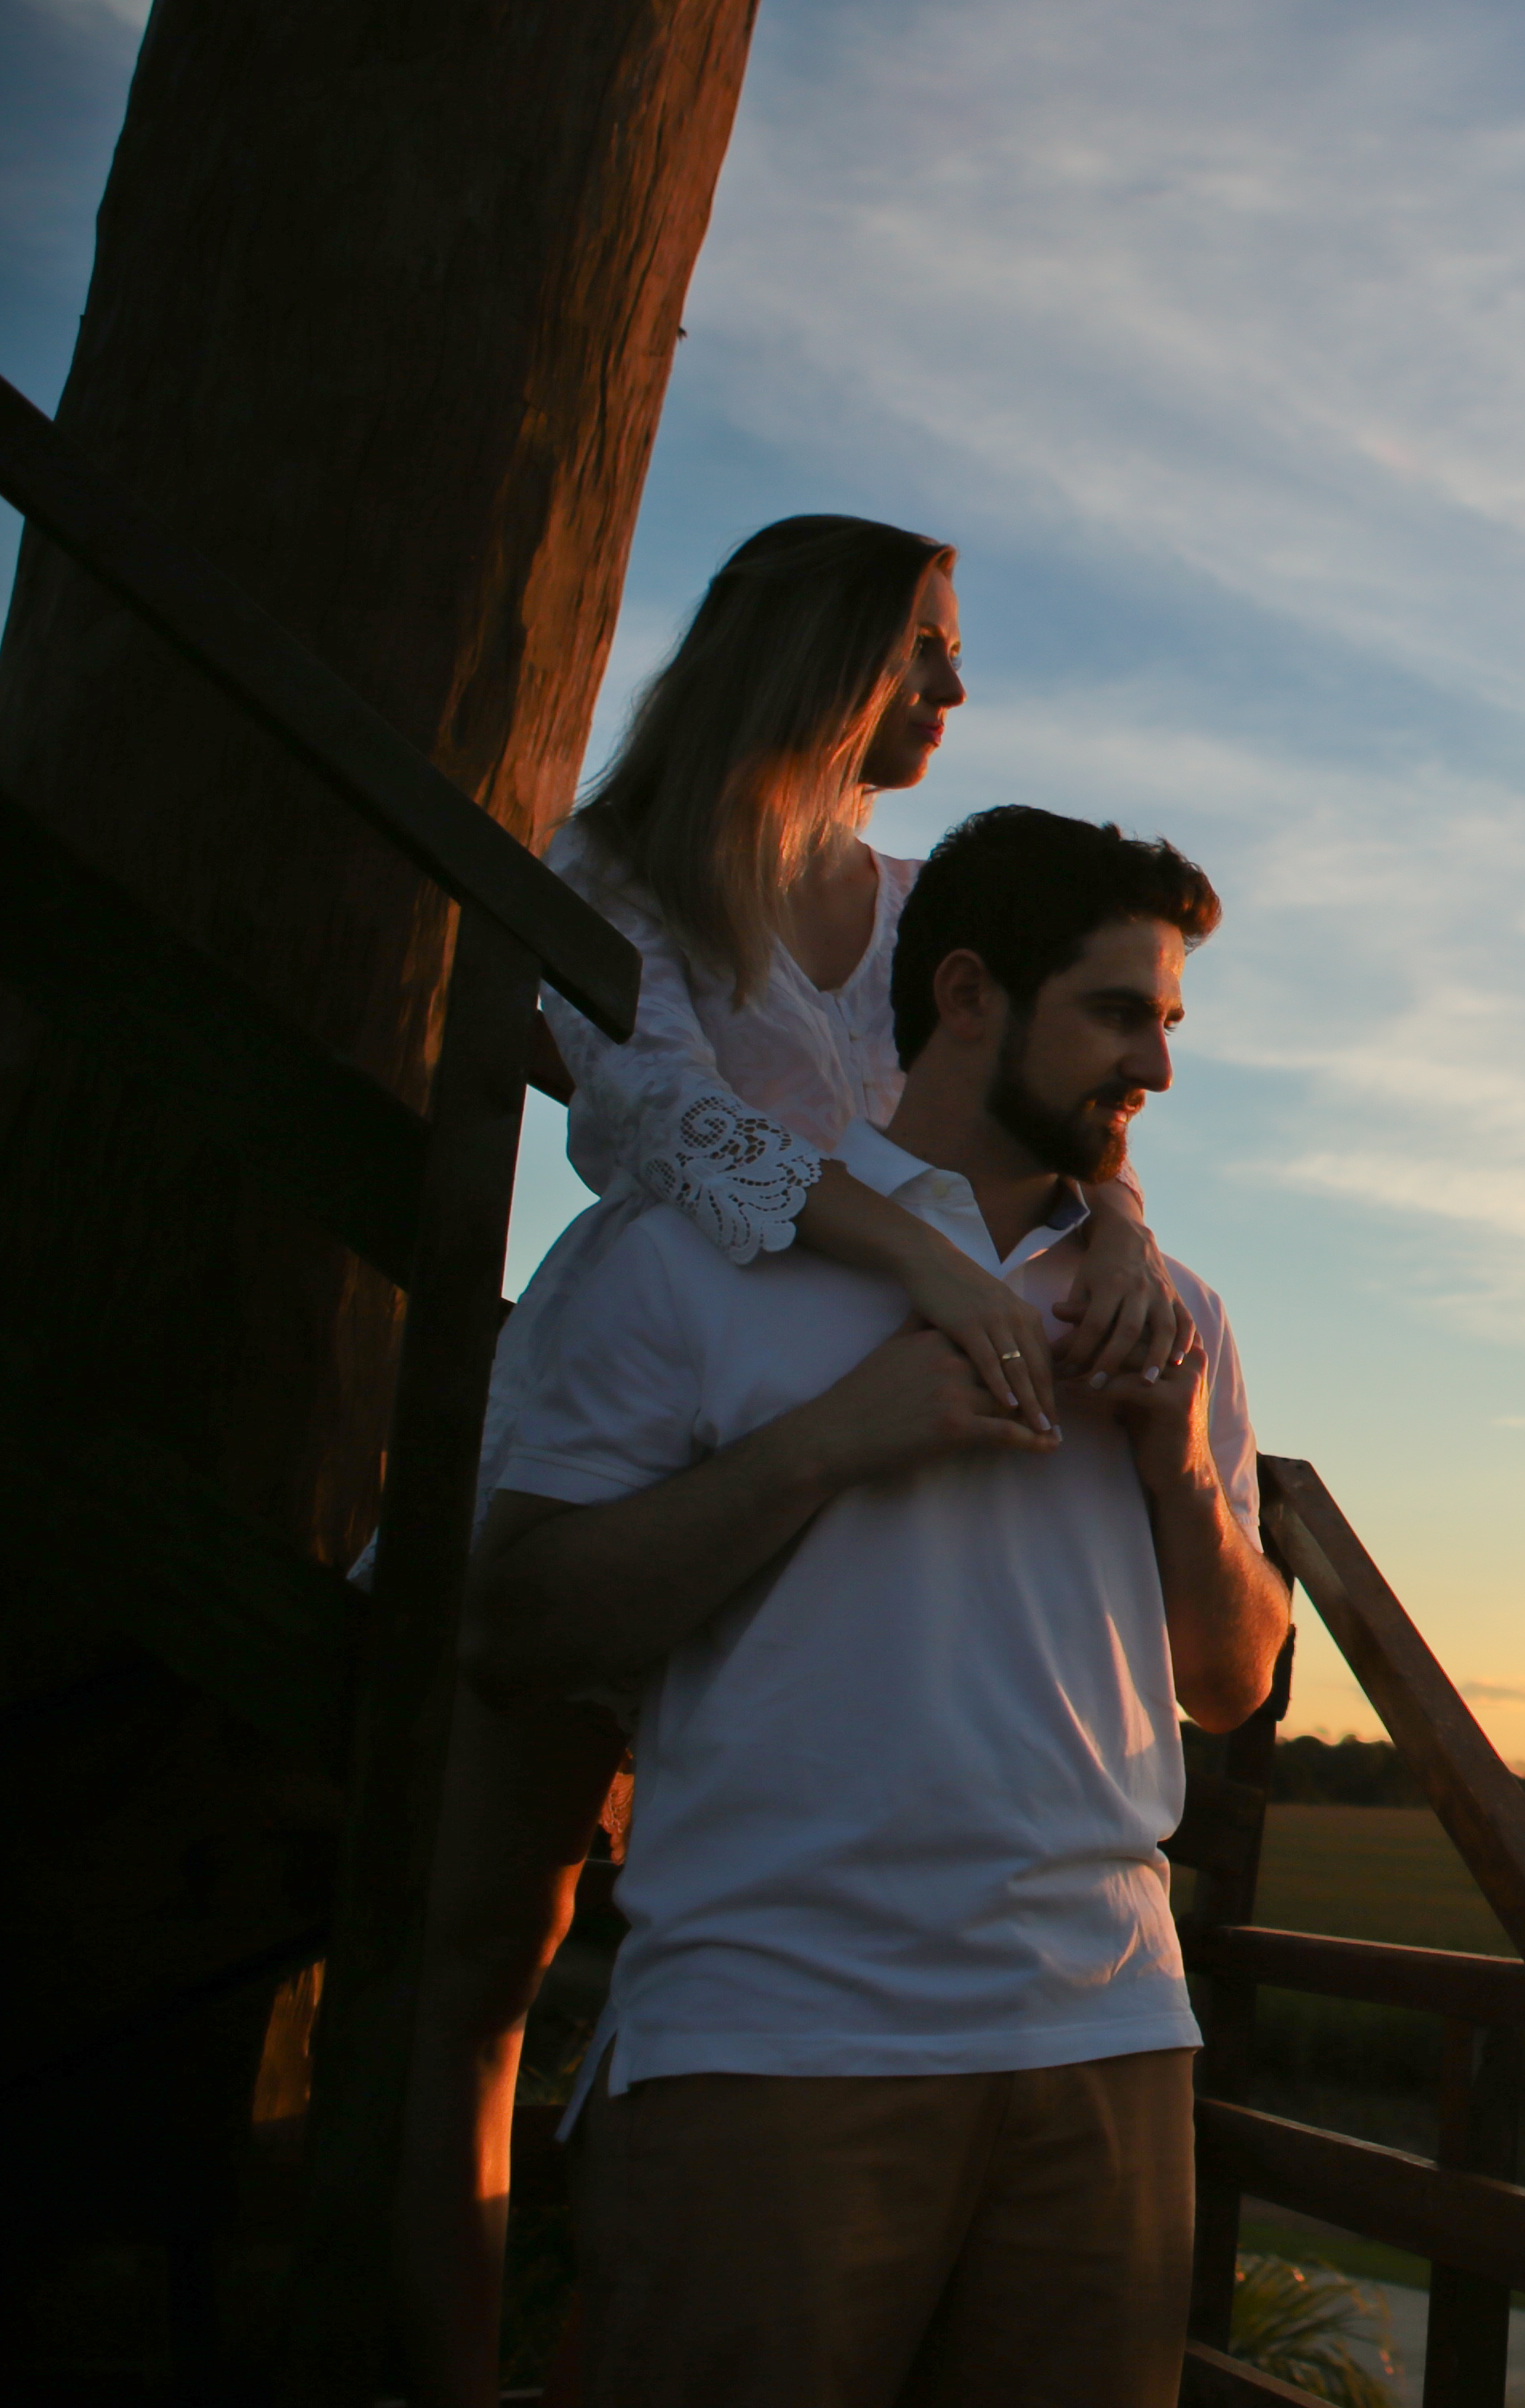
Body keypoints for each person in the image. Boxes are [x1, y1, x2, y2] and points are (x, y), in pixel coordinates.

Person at [396, 519, 1193, 2406]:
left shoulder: (925, 900)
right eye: (922, 647)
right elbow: (654, 1116)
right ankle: (449, 2366)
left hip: (886, 1392)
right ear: (815, 657)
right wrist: (918, 1257)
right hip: (675, 1371)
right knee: (483, 1959)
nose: (953, 688)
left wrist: (1128, 1236)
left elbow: (1056, 1081)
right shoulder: (622, 875)